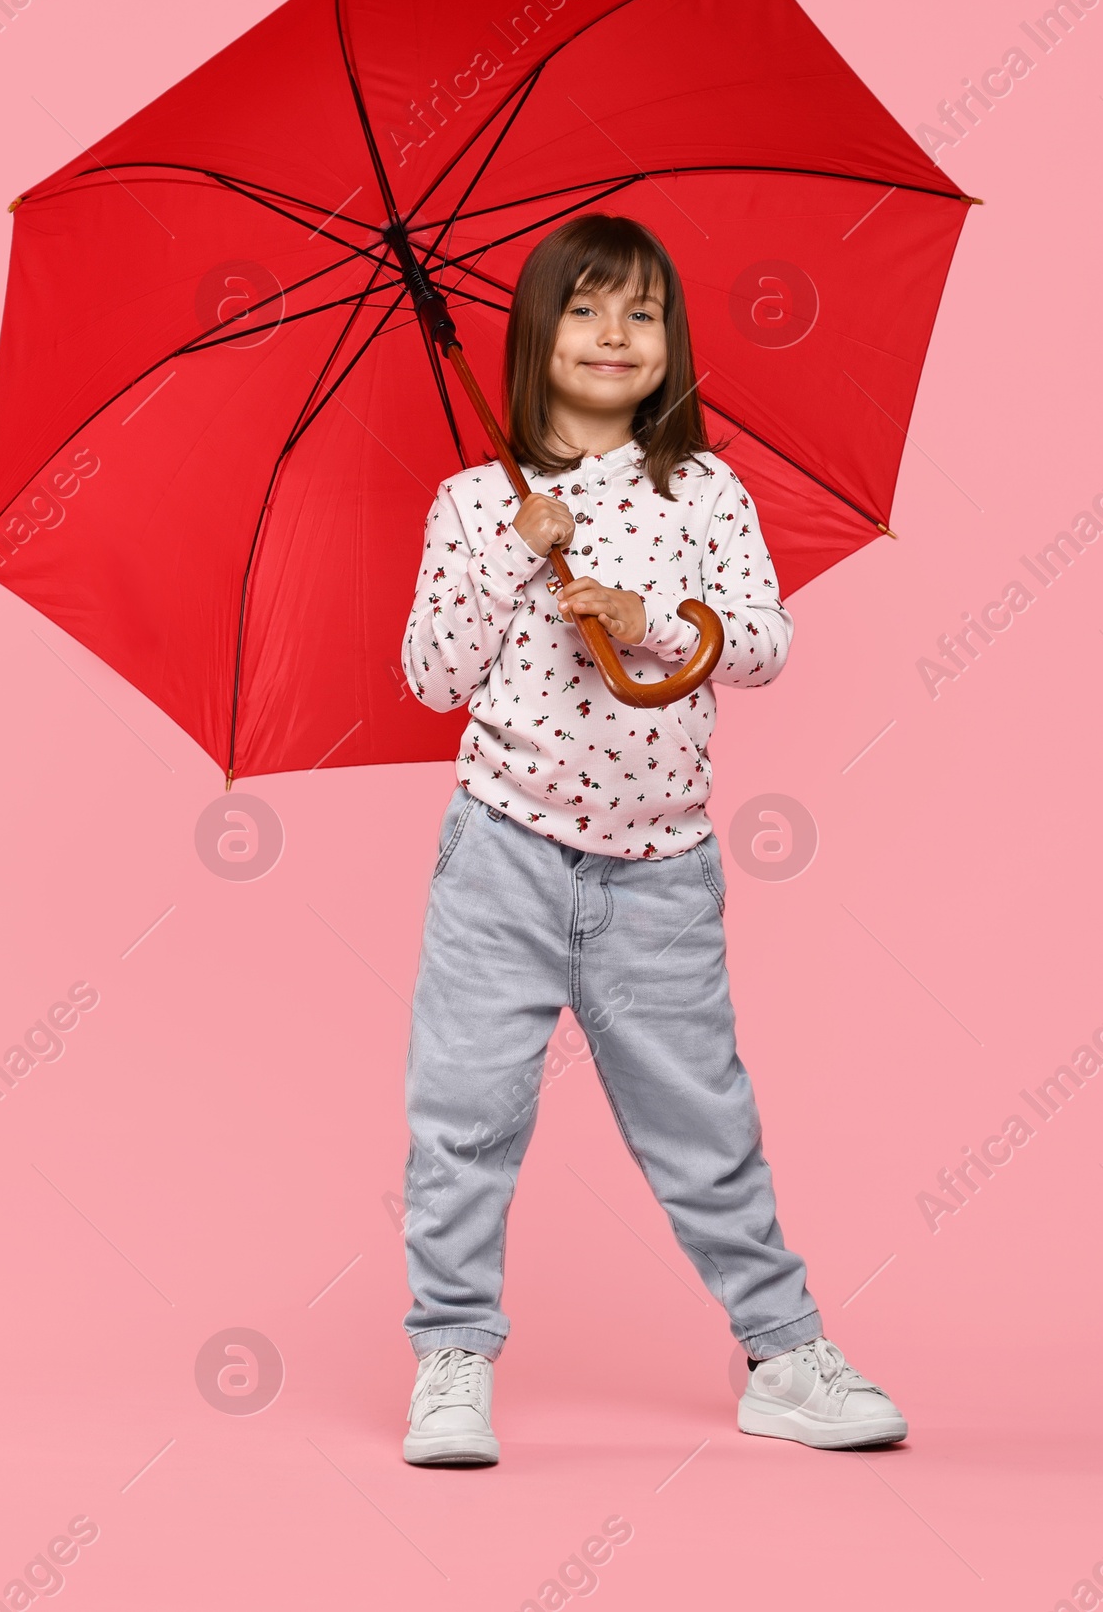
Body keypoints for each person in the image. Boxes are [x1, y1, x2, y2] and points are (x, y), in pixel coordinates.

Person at [396, 214, 907, 1467]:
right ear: (532, 336)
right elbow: (427, 675)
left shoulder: (700, 492)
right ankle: (451, 1355)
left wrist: (652, 621)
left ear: (670, 343)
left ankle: (782, 1353)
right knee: (462, 1114)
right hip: (502, 854)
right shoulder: (474, 506)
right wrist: (516, 561)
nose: (615, 333)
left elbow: (768, 642)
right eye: (585, 308)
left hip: (660, 867)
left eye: (642, 312)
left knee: (702, 1120)